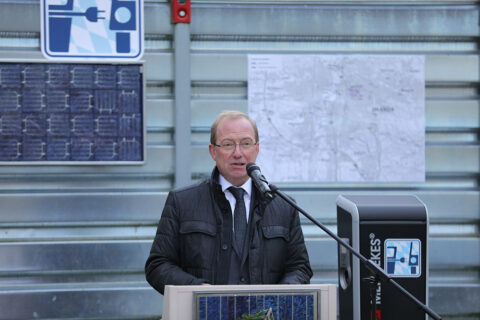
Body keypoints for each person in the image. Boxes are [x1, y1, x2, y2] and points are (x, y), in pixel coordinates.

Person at [145, 110, 312, 294]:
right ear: (213, 151)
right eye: (228, 144)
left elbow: (300, 268)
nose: (238, 153)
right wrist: (197, 290)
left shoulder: (283, 205)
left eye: (246, 144)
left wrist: (277, 297)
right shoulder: (182, 202)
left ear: (256, 149)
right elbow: (158, 266)